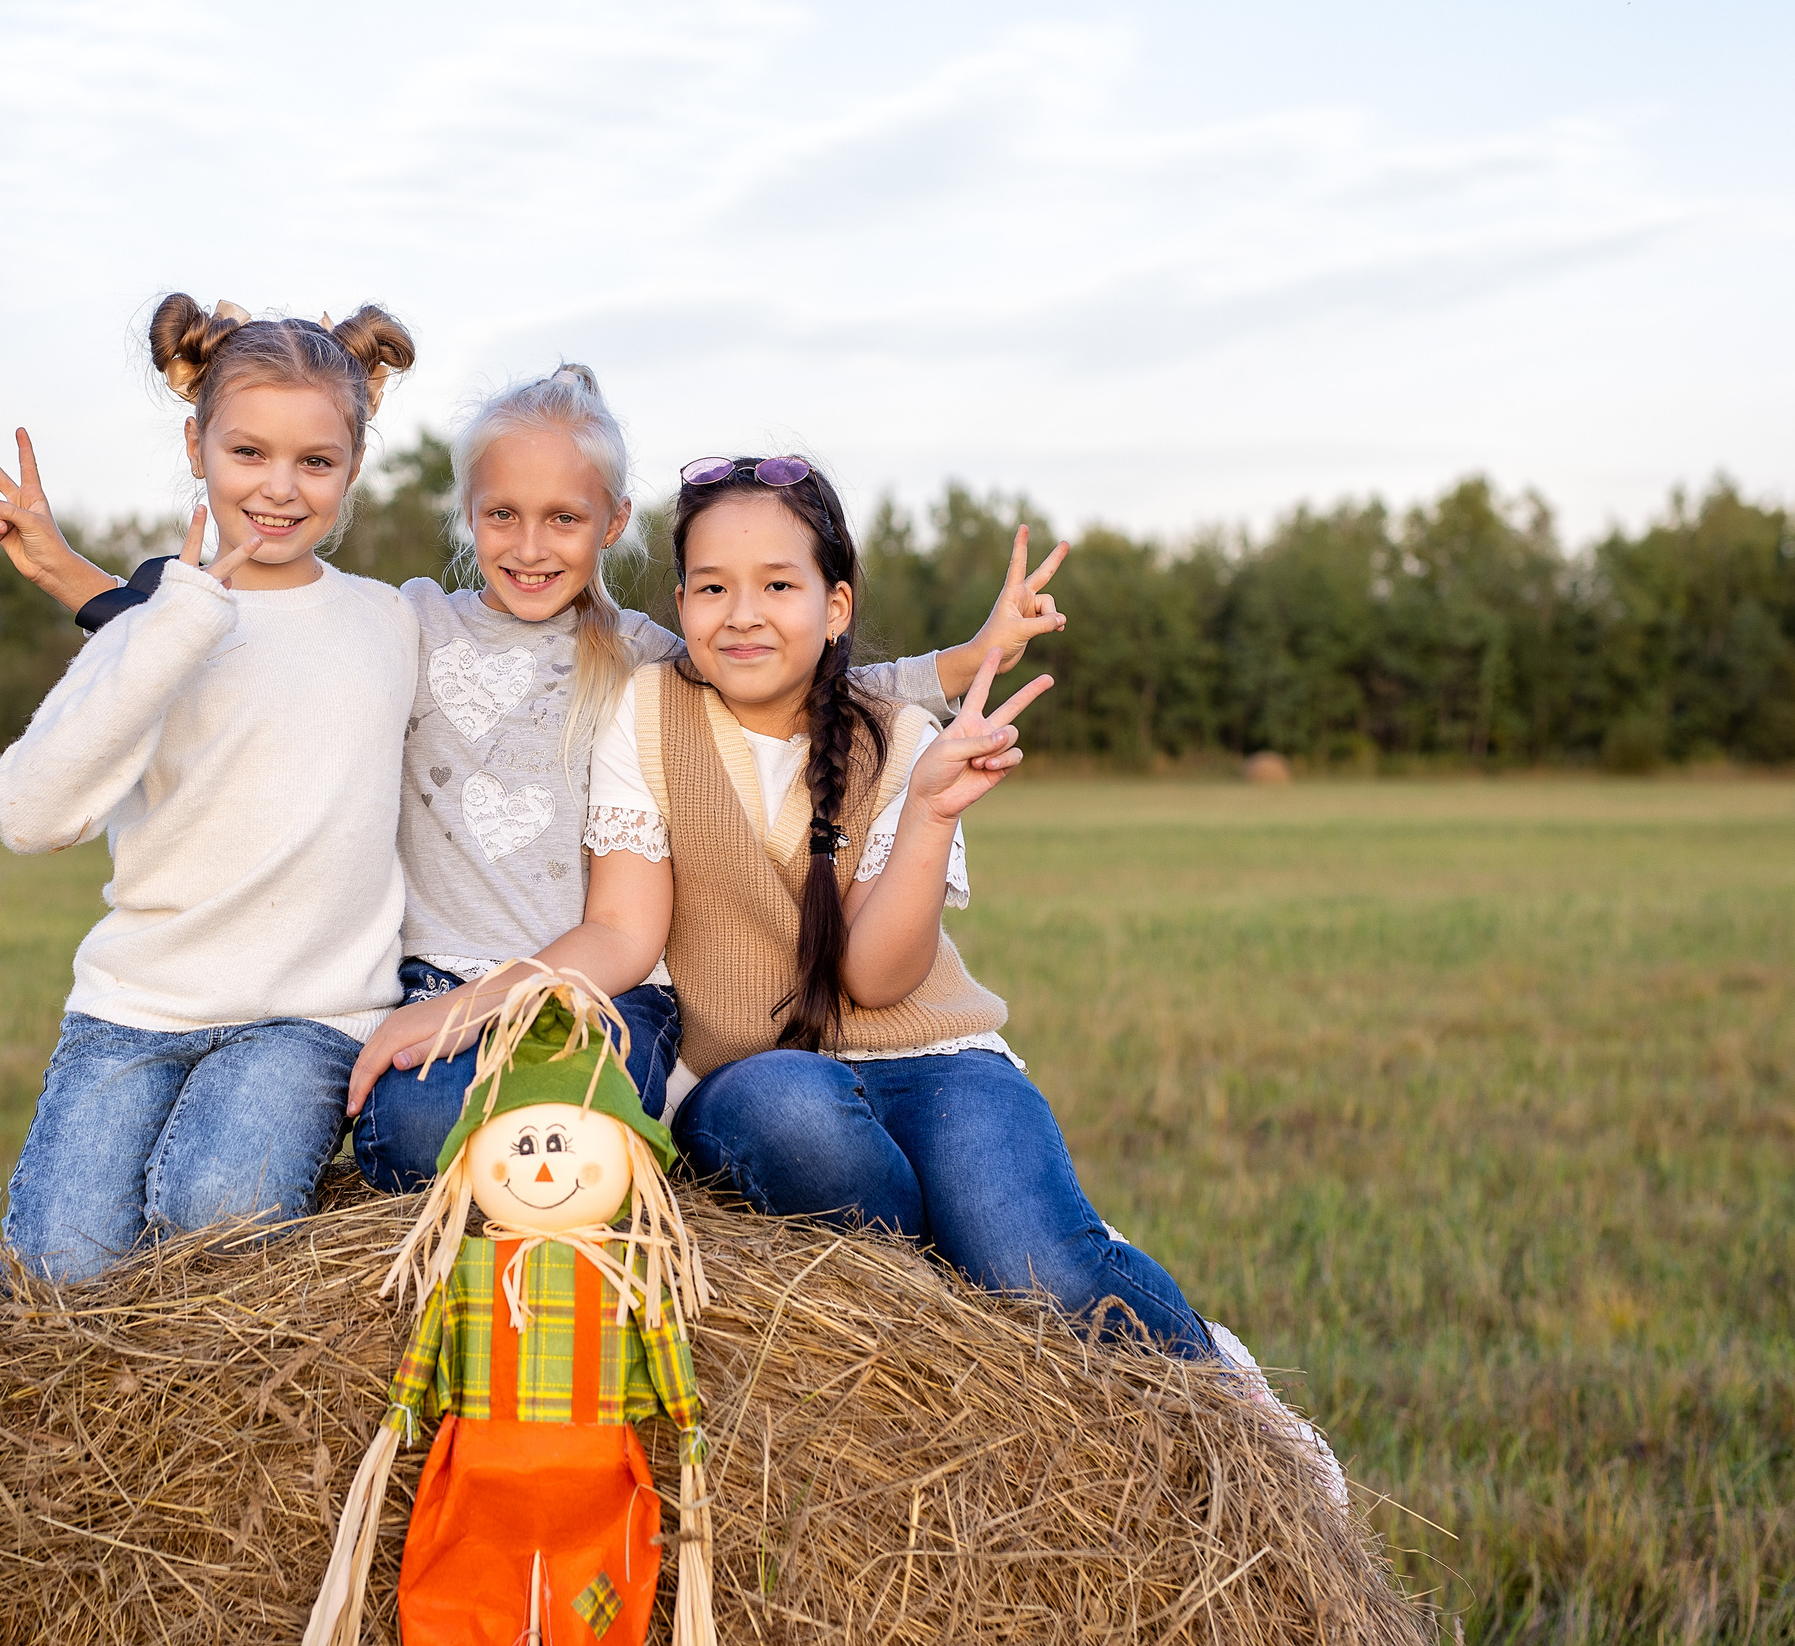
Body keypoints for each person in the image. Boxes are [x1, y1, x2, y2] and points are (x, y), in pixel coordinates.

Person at [378, 452, 1221, 1358]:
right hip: (759, 1080)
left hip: (938, 1064)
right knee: (787, 1109)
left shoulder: (898, 739)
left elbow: (876, 973)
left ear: (836, 606)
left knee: (1041, 1269)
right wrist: (463, 1008)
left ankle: (1238, 1403)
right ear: (682, 605)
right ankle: (932, 1291)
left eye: (778, 584)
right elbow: (622, 930)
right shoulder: (648, 710)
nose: (742, 613)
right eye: (711, 588)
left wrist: (932, 812)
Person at [335, 365, 1072, 1190]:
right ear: (466, 514)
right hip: (443, 966)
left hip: (611, 984)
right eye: (502, 514)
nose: (531, 545)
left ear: (613, 522)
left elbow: (808, 680)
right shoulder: (416, 622)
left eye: (564, 517)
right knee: (414, 1133)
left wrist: (972, 658)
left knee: (571, 1128)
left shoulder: (646, 653)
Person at [0, 294, 419, 1282]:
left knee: (213, 1218)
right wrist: (167, 627)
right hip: (137, 1005)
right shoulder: (151, 629)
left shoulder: (390, 624)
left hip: (311, 1016)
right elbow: (31, 817)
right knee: (61, 1271)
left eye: (316, 461)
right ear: (195, 444)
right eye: (247, 453)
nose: (281, 488)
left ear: (353, 464)